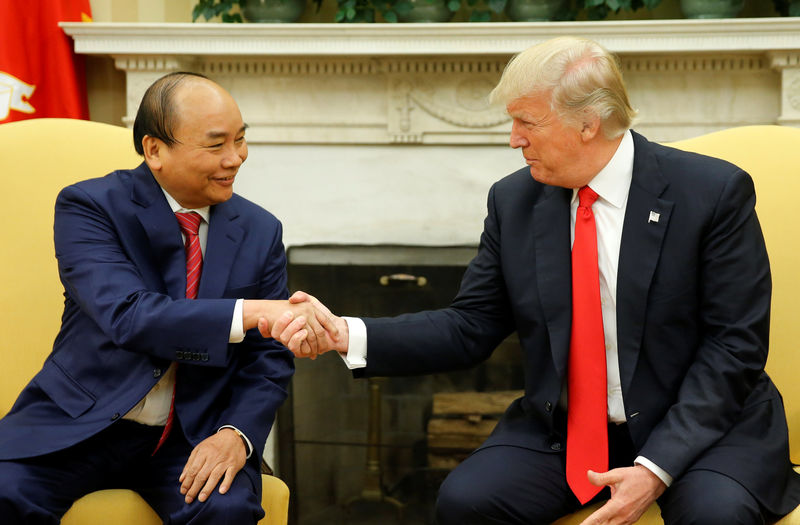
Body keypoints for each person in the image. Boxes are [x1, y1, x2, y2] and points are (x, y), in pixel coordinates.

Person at [270, 37, 800, 524]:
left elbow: (734, 348)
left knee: (716, 515)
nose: (513, 139)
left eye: (527, 122)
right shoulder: (515, 201)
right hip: (571, 432)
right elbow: (469, 325)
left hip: (705, 426)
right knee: (465, 503)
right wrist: (346, 332)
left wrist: (655, 467)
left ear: (588, 125)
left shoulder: (711, 193)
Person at [0, 72, 337, 524]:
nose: (236, 158)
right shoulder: (90, 207)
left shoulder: (259, 230)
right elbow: (129, 315)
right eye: (216, 145)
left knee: (227, 509)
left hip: (191, 435)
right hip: (82, 422)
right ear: (154, 149)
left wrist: (235, 435)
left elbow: (268, 360)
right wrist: (256, 312)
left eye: (241, 140)